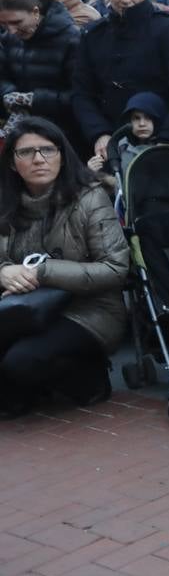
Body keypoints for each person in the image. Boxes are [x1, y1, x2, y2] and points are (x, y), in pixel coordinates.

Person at [0, 118, 131, 417]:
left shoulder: (89, 197)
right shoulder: (5, 202)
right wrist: (3, 271)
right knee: (10, 398)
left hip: (88, 310)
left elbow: (115, 268)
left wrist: (44, 272)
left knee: (19, 363)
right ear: (11, 162)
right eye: (26, 152)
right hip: (21, 308)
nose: (38, 159)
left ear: (62, 154)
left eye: (48, 149)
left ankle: (89, 378)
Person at [71, 0, 169, 158]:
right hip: (111, 139)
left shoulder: (168, 28)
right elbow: (82, 92)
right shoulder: (94, 34)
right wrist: (99, 133)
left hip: (162, 138)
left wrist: (168, 137)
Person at [0, 0, 81, 142]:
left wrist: (33, 100)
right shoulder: (9, 38)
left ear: (35, 12)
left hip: (63, 133)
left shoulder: (71, 39)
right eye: (4, 24)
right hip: (21, 130)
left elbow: (79, 95)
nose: (11, 30)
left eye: (17, 23)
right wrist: (11, 95)